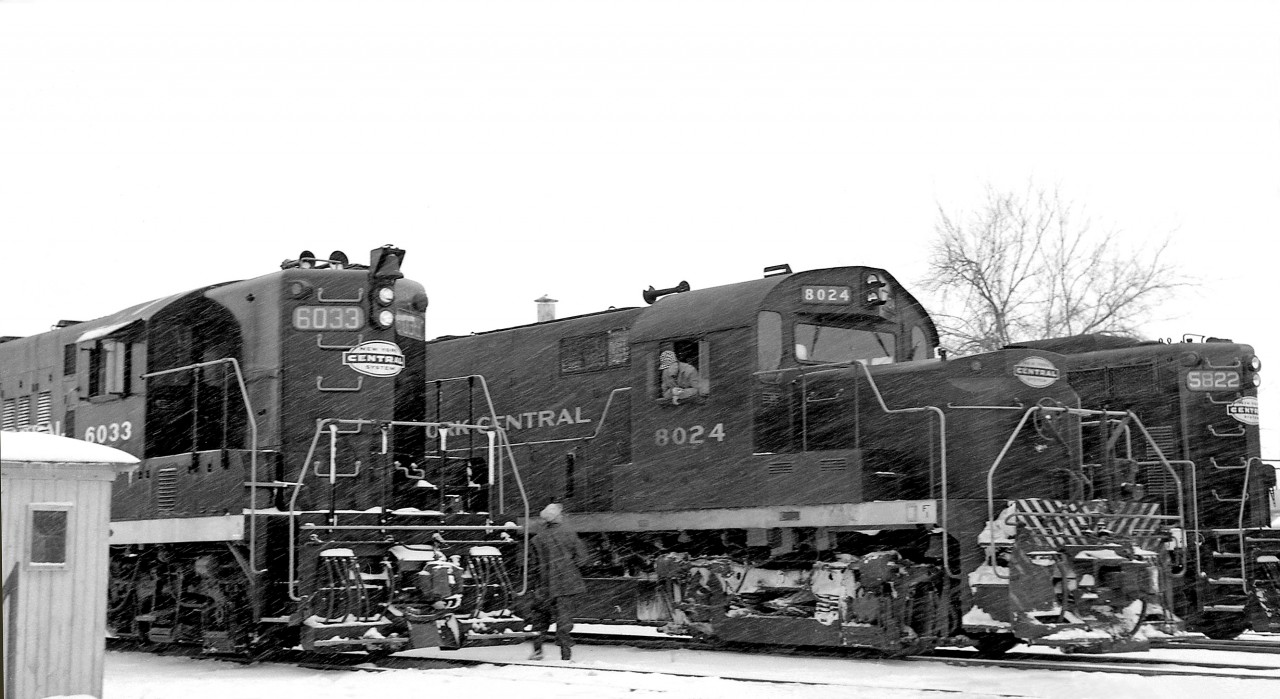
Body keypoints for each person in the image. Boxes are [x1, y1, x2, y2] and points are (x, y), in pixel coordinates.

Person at [527, 503, 589, 661]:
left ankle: (537, 650)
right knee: (564, 620)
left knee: (540, 618)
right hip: (565, 585)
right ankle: (565, 654)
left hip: (544, 585)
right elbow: (582, 559)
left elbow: (533, 565)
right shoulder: (569, 535)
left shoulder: (537, 539)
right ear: (557, 518)